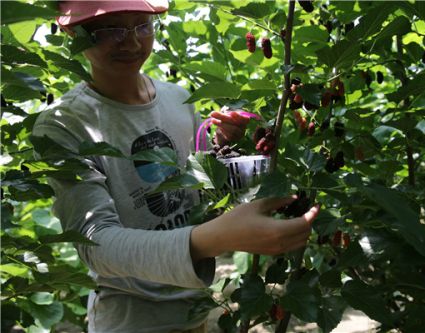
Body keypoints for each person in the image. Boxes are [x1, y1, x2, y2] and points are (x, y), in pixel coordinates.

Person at [32, 1, 320, 332]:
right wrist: (211, 239)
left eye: (141, 25)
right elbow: (98, 245)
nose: (132, 42)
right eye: (108, 29)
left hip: (196, 308)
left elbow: (202, 187)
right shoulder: (63, 126)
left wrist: (229, 149)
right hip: (132, 322)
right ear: (71, 31)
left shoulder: (178, 99)